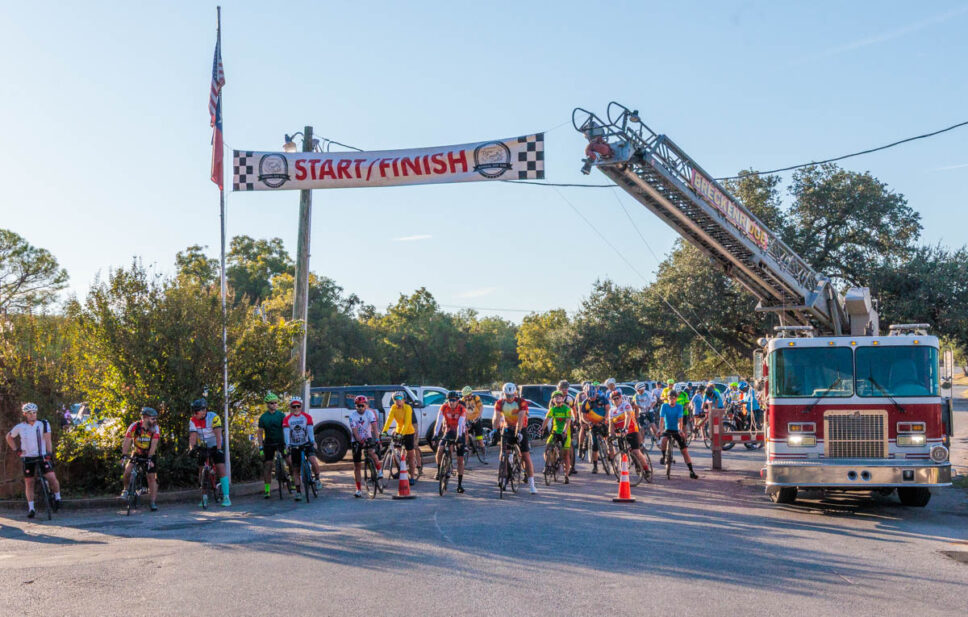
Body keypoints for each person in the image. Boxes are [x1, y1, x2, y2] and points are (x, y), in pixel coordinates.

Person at [5, 403, 63, 517]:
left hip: (42, 456)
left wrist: (49, 453)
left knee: (51, 477)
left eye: (34, 413)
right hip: (27, 457)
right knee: (29, 482)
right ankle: (31, 509)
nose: (32, 415)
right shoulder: (20, 426)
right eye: (30, 413)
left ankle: (58, 498)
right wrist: (16, 450)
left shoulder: (43, 423)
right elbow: (9, 437)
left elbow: (48, 439)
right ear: (25, 414)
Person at [493, 382, 537, 494]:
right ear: (504, 394)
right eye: (507, 396)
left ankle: (532, 484)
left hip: (521, 427)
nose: (509, 398)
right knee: (503, 453)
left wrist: (519, 431)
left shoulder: (521, 402)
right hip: (507, 428)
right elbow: (496, 417)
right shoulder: (500, 403)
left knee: (526, 456)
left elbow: (521, 417)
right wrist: (494, 429)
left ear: (515, 393)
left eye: (511, 395)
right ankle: (504, 474)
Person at [188, 398, 230, 507]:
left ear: (204, 410)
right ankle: (204, 497)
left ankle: (226, 497)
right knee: (201, 469)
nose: (194, 414)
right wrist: (191, 448)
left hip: (216, 443)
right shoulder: (193, 420)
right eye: (194, 411)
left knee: (220, 467)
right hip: (203, 445)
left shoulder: (214, 417)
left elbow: (218, 435)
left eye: (196, 411)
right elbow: (193, 436)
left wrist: (219, 449)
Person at [121, 406, 161, 511]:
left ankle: (152, 502)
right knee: (127, 472)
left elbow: (154, 444)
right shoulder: (134, 426)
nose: (155, 421)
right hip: (137, 453)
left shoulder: (155, 428)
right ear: (145, 418)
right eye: (153, 418)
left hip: (150, 453)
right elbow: (127, 441)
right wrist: (124, 454)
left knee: (151, 476)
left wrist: (150, 458)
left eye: (155, 418)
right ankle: (126, 489)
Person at [282, 396, 321, 500]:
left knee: (313, 461)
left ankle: (317, 479)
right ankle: (298, 492)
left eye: (298, 406)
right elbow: (286, 433)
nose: (296, 409)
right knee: (296, 470)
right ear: (290, 407)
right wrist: (287, 445)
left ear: (301, 406)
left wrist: (313, 442)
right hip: (294, 446)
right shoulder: (287, 419)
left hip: (306, 443)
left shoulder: (307, 417)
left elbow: (310, 430)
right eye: (293, 406)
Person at [607, 389, 651, 477]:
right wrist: (610, 435)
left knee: (636, 451)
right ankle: (622, 475)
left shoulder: (625, 405)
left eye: (617, 398)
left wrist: (625, 428)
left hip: (632, 431)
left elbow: (628, 416)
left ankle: (646, 469)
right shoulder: (611, 410)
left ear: (620, 398)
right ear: (611, 400)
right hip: (621, 434)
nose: (616, 400)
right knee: (623, 453)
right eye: (614, 399)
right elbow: (611, 424)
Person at [658, 390, 699, 479]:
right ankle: (664, 456)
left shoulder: (679, 407)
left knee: (684, 451)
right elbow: (661, 420)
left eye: (673, 398)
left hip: (676, 430)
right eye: (670, 398)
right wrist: (660, 430)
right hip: (667, 429)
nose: (671, 400)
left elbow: (680, 419)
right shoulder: (664, 406)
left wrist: (680, 430)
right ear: (667, 398)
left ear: (676, 398)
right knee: (663, 440)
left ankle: (691, 471)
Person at [434, 391, 467, 493]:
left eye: (454, 400)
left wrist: (459, 437)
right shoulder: (444, 407)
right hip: (449, 430)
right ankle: (439, 470)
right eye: (450, 400)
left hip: (459, 432)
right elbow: (438, 421)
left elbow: (461, 424)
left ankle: (459, 485)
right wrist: (435, 434)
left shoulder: (462, 409)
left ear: (458, 401)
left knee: (460, 459)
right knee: (440, 449)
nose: (451, 402)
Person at [348, 395, 381, 498]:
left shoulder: (370, 413)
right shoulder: (352, 416)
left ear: (366, 405)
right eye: (358, 406)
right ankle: (358, 489)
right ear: (355, 406)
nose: (360, 408)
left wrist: (377, 438)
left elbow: (374, 426)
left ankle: (379, 470)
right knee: (357, 465)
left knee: (372, 452)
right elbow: (355, 431)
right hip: (356, 440)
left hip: (368, 437)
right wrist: (359, 440)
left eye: (362, 405)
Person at [382, 391, 417, 485]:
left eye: (400, 399)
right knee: (395, 453)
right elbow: (389, 419)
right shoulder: (393, 408)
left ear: (404, 400)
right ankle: (400, 470)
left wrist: (402, 434)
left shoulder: (408, 408)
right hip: (398, 431)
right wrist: (384, 431)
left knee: (410, 455)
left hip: (408, 431)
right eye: (395, 399)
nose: (398, 401)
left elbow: (406, 423)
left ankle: (412, 476)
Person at [257, 392, 287, 499]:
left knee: (290, 461)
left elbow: (286, 430)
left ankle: (292, 482)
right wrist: (260, 447)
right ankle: (267, 490)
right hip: (269, 443)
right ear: (267, 404)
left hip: (281, 442)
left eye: (275, 403)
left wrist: (287, 443)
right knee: (268, 465)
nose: (274, 404)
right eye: (271, 403)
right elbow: (260, 433)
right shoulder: (263, 417)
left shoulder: (281, 415)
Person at [540, 390, 573, 482]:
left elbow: (568, 421)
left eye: (560, 397)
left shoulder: (567, 409)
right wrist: (542, 429)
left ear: (563, 399)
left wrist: (565, 431)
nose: (558, 399)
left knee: (566, 454)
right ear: (553, 400)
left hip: (565, 433)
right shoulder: (552, 409)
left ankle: (566, 475)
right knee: (547, 449)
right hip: (555, 432)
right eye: (556, 397)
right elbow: (546, 419)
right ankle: (548, 465)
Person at [577, 383, 609, 473]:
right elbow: (583, 416)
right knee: (594, 445)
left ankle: (611, 457)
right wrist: (588, 422)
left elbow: (608, 409)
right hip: (593, 424)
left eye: (593, 396)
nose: (592, 399)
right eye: (590, 397)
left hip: (603, 421)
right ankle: (595, 466)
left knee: (609, 439)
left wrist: (604, 419)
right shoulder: (585, 402)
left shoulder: (603, 398)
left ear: (596, 393)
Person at [460, 386, 485, 464]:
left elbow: (481, 407)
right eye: (465, 396)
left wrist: (479, 416)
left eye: (468, 395)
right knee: (466, 435)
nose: (466, 397)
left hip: (476, 419)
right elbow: (462, 410)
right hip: (468, 419)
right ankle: (467, 449)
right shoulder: (463, 400)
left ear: (470, 394)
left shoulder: (476, 398)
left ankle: (483, 453)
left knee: (479, 438)